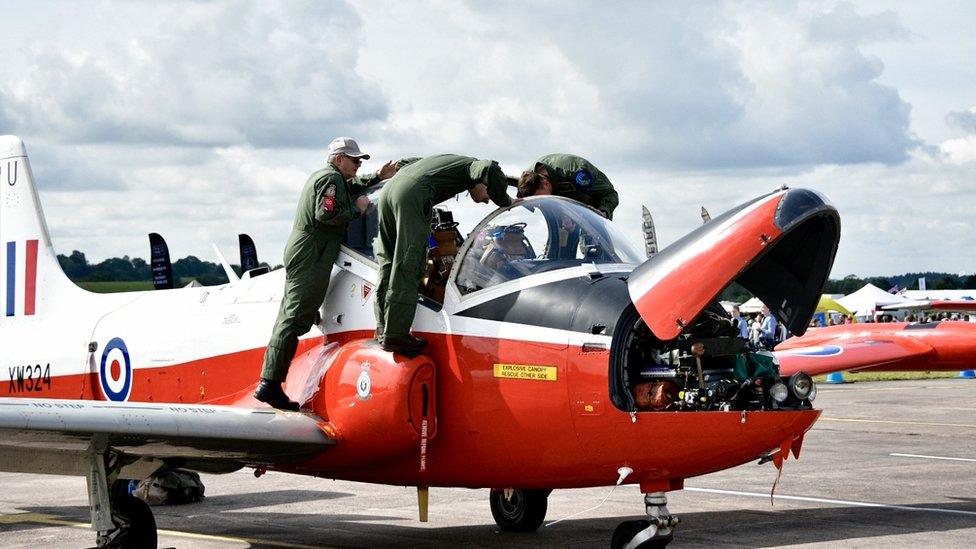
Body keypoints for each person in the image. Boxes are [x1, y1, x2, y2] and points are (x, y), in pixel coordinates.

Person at [255, 137, 397, 411]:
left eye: (359, 161)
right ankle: (269, 384)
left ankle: (270, 382)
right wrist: (356, 212)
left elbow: (350, 187)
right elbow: (326, 214)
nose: (357, 165)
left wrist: (378, 175)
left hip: (313, 253)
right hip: (312, 254)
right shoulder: (329, 181)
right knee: (293, 319)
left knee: (296, 316)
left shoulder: (332, 179)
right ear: (338, 159)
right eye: (354, 160)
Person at [375, 154, 513, 355]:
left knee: (388, 261)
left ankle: (382, 326)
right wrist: (504, 199)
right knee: (409, 262)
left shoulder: (449, 162)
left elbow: (403, 163)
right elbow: (489, 167)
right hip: (412, 196)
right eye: (489, 193)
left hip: (389, 191)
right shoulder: (471, 167)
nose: (486, 200)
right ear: (480, 181)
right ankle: (396, 336)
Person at [515, 154, 619, 219]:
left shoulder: (577, 174)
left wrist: (603, 212)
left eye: (539, 198)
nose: (538, 204)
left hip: (590, 207)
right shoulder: (526, 182)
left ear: (546, 183)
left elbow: (610, 194)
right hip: (562, 209)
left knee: (594, 244)